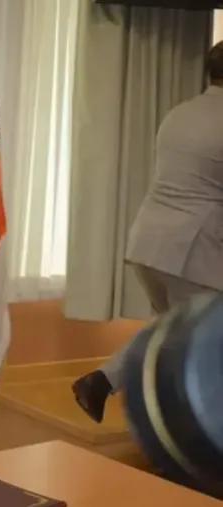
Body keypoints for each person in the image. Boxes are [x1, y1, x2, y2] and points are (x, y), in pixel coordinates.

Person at [73, 40, 223, 424]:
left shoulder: (180, 113)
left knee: (166, 330)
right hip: (192, 251)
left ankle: (102, 381)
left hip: (150, 242)